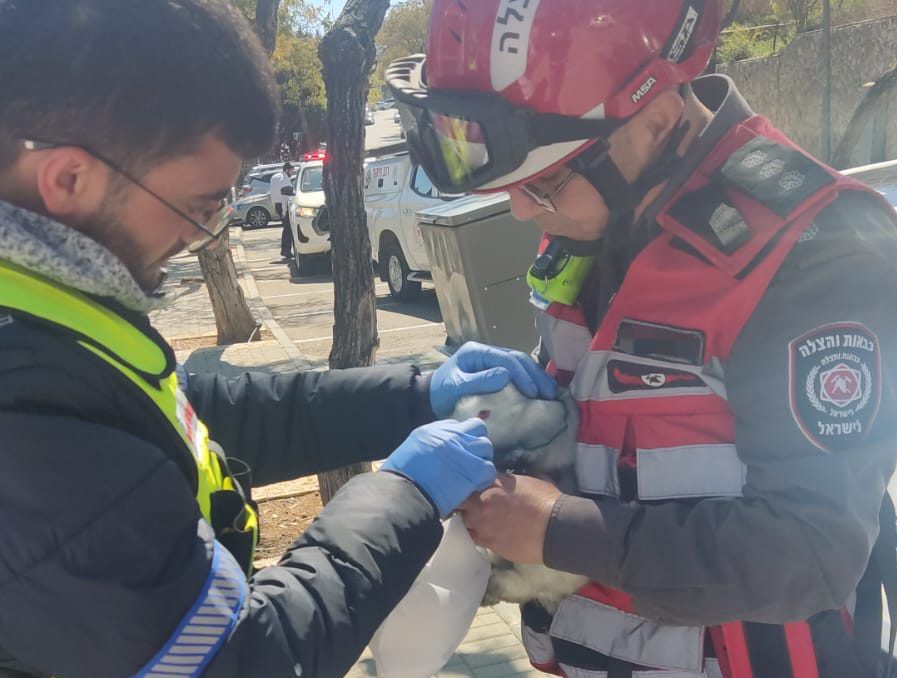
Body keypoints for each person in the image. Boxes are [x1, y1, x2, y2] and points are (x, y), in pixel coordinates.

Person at [0, 2, 558, 677]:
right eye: (201, 206)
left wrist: (417, 394)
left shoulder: (44, 305)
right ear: (68, 180)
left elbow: (190, 416)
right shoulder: (17, 386)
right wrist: (405, 495)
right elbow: (237, 659)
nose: (199, 235)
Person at [387, 1, 897, 676]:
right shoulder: (601, 206)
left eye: (543, 182)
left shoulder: (813, 251)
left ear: (656, 120)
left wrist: (556, 529)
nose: (517, 209)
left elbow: (809, 554)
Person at [270, 161, 296, 260]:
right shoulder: (285, 181)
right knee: (288, 229)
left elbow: (273, 194)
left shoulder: (276, 177)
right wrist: (285, 212)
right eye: (291, 170)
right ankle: (286, 251)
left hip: (278, 205)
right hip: (283, 206)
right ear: (286, 170)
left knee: (286, 229)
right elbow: (284, 197)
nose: (292, 172)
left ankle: (285, 250)